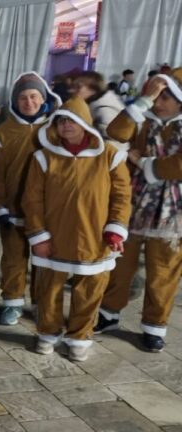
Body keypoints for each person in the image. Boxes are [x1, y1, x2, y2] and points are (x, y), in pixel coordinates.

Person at [22, 96, 131, 361]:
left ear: (85, 123)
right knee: (49, 290)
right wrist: (38, 235)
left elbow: (122, 196)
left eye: (71, 121)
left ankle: (79, 337)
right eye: (61, 121)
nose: (66, 126)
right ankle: (47, 333)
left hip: (95, 239)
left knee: (90, 290)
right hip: (54, 238)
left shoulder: (110, 156)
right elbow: (32, 199)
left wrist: (116, 229)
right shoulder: (43, 157)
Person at [95, 69, 182, 352]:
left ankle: (154, 327)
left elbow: (178, 165)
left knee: (163, 272)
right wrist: (143, 101)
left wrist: (143, 162)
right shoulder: (142, 119)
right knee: (120, 263)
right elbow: (116, 132)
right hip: (134, 204)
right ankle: (108, 314)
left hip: (173, 214)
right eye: (156, 94)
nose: (159, 101)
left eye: (165, 96)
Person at [0, 72, 61, 326]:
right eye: (23, 97)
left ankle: (41, 304)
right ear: (14, 101)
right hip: (13, 208)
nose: (28, 102)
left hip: (45, 212)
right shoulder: (3, 133)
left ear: (43, 98)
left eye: (33, 96)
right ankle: (12, 302)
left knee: (45, 261)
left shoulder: (55, 129)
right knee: (13, 260)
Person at [70, 71, 126, 150]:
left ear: (94, 89)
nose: (72, 91)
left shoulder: (104, 110)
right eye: (72, 87)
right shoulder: (92, 105)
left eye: (78, 87)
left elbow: (112, 141)